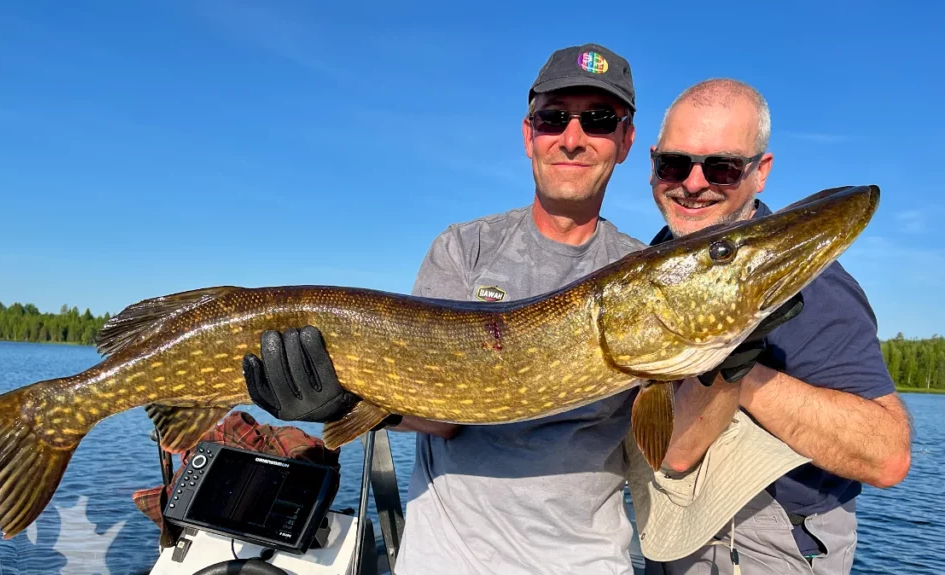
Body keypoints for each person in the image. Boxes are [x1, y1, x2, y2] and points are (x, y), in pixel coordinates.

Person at [238, 47, 798, 574]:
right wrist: (348, 402)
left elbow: (673, 453)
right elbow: (444, 417)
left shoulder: (643, 266)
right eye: (555, 118)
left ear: (625, 141)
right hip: (444, 559)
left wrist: (729, 364)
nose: (573, 139)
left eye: (599, 120)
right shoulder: (464, 248)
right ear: (530, 135)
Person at [642, 78, 913, 575]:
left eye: (721, 167)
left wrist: (742, 372)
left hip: (768, 546)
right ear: (654, 163)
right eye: (675, 164)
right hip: (672, 532)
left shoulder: (816, 287)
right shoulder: (653, 265)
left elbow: (887, 454)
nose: (694, 183)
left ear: (760, 172)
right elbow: (670, 450)